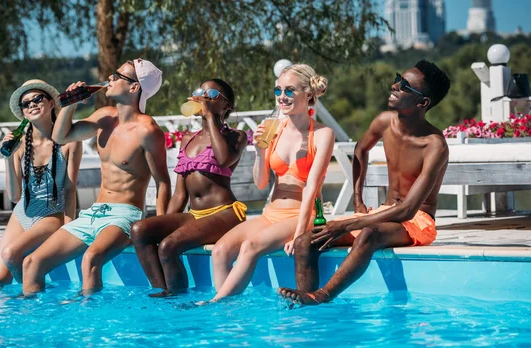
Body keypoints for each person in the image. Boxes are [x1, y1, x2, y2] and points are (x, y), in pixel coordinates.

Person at [278, 60, 451, 306]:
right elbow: (360, 150)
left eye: (404, 86)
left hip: (417, 222)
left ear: (422, 103)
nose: (394, 86)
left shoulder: (435, 145)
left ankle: (322, 296)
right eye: (398, 78)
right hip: (384, 213)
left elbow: (408, 210)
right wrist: (358, 201)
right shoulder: (384, 121)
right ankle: (306, 305)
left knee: (368, 234)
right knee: (306, 241)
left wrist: (349, 223)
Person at [21, 59, 171, 295]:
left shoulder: (147, 130)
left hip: (125, 215)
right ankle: (37, 327)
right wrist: (72, 103)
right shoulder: (104, 117)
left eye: (117, 76)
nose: (109, 79)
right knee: (32, 263)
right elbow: (60, 137)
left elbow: (163, 183)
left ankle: (92, 326)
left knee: (90, 259)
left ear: (134, 87)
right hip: (94, 212)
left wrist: (162, 229)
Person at [208, 64, 335, 301]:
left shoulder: (322, 134)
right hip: (272, 213)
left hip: (301, 215)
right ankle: (229, 311)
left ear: (308, 95)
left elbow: (311, 188)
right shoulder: (271, 128)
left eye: (289, 91)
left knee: (250, 247)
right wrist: (258, 151)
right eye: (278, 91)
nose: (282, 97)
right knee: (220, 250)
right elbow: (261, 182)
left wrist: (299, 234)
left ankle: (215, 304)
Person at [131, 79, 248, 297]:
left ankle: (178, 302)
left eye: (211, 94)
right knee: (140, 230)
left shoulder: (235, 137)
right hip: (195, 215)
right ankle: (162, 292)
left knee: (168, 246)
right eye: (199, 92)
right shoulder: (187, 139)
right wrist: (162, 224)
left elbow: (223, 159)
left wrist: (210, 116)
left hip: (226, 213)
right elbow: (179, 194)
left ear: (227, 106)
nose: (203, 97)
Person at [0, 79, 83, 289]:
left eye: (37, 98)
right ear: (23, 112)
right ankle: (34, 292)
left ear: (51, 104)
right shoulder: (20, 144)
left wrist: (68, 227)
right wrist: (8, 156)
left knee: (11, 254)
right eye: (26, 103)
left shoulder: (70, 141)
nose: (31, 104)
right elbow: (15, 197)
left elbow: (69, 189)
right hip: (22, 212)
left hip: (52, 213)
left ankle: (35, 301)